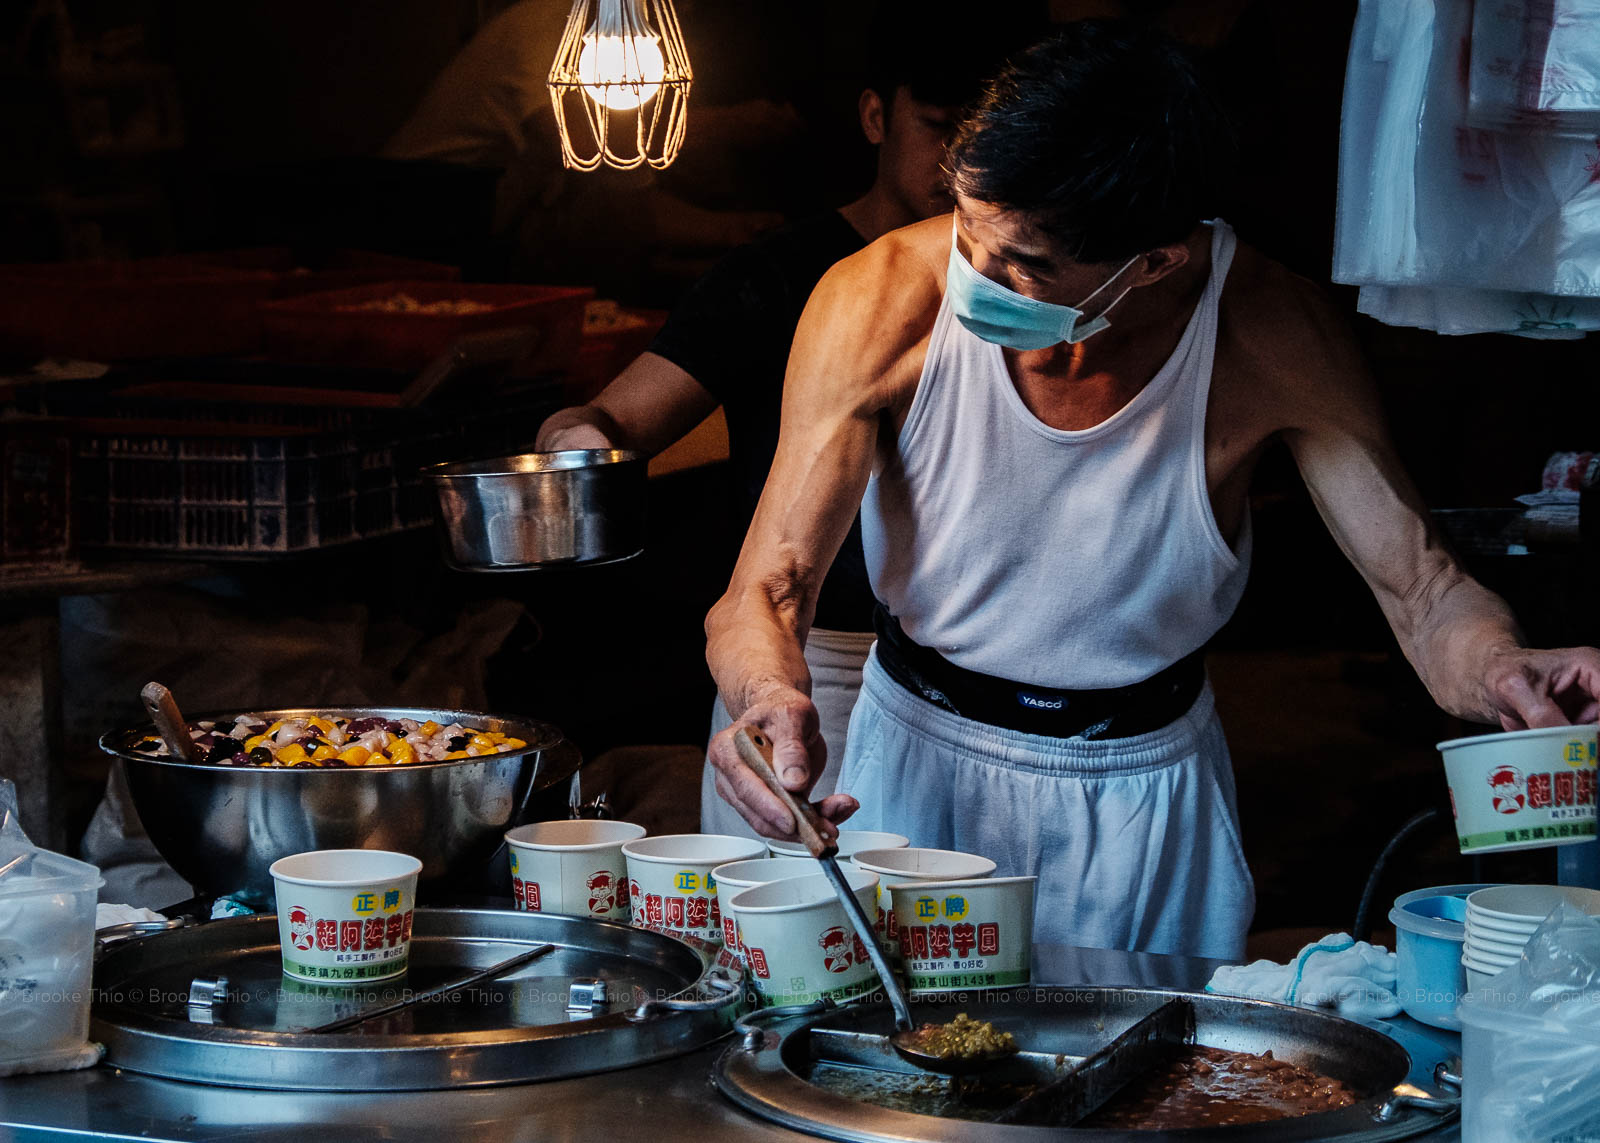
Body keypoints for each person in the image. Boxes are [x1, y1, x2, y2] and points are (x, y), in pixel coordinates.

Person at [702, 22, 1600, 958]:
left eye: (1025, 266)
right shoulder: (878, 300)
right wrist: (766, 693)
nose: (976, 274)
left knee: (1157, 1085)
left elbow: (1422, 591)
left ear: (1157, 261)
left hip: (1145, 795)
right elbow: (764, 590)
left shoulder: (1269, 334)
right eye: (970, 227)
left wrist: (1500, 666)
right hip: (919, 762)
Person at [538, 5, 1043, 838]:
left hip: (980, 683)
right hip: (801, 669)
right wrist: (577, 445)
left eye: (990, 137)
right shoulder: (772, 279)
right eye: (941, 128)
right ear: (876, 116)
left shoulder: (1037, 291)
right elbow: (605, 418)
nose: (966, 164)